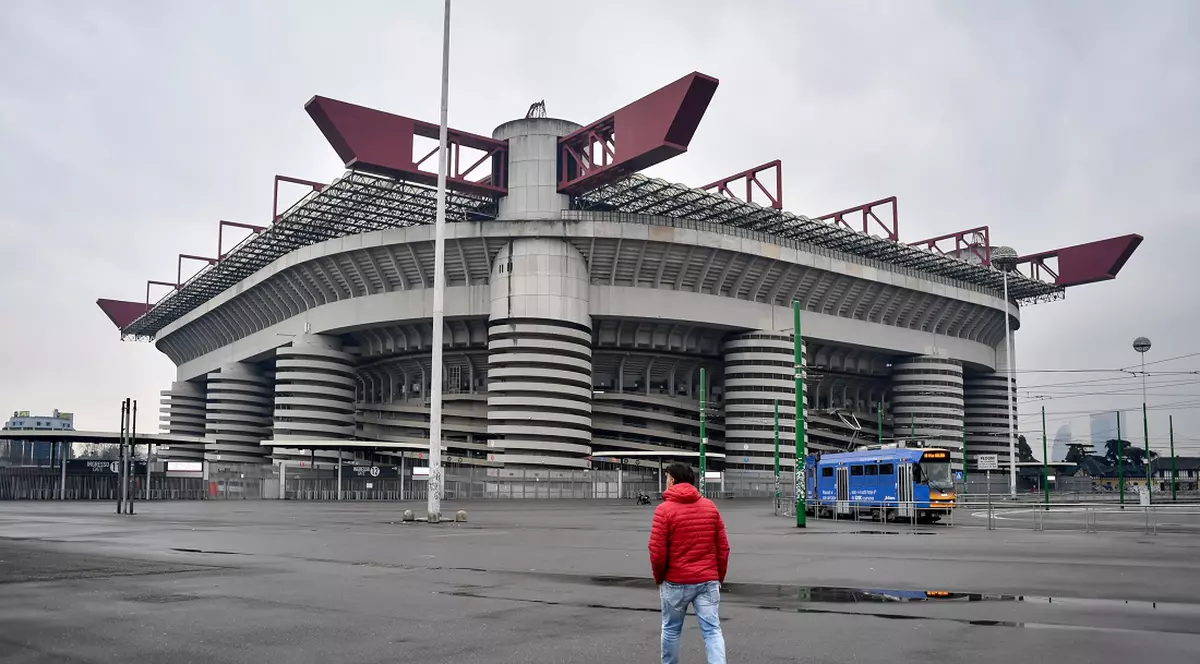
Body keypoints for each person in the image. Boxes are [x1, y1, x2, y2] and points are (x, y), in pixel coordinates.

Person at [648, 463, 730, 664]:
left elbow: (657, 551)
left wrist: (659, 577)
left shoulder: (664, 510)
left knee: (671, 629)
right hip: (707, 580)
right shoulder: (710, 507)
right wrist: (719, 576)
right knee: (712, 630)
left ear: (673, 481)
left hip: (675, 581)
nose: (666, 482)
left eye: (667, 478)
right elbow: (723, 547)